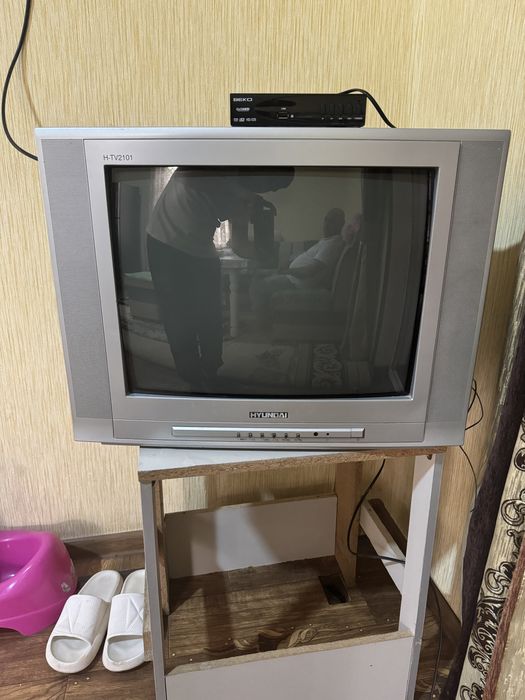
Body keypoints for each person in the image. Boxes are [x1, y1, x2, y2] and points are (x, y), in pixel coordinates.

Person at [146, 167, 294, 388]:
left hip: (202, 247)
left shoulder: (247, 199)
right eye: (270, 181)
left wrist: (264, 254)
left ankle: (211, 369)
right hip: (165, 240)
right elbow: (188, 176)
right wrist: (241, 193)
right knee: (177, 314)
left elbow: (240, 245)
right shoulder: (225, 161)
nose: (267, 189)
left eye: (273, 188)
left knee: (211, 313)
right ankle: (191, 377)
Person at [250, 207, 347, 327]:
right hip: (292, 276)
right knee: (257, 275)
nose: (327, 224)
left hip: (297, 282)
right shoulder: (327, 241)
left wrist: (287, 271)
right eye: (326, 220)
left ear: (341, 224)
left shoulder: (333, 245)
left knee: (259, 286)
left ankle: (262, 325)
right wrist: (289, 262)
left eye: (332, 221)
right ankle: (265, 318)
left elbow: (310, 271)